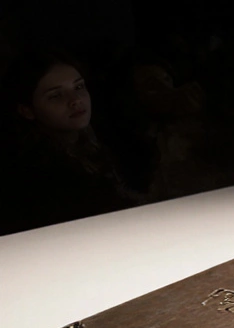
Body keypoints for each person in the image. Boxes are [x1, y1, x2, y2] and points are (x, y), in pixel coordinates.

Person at [1, 51, 136, 233]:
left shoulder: (99, 140)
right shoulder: (34, 174)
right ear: (27, 110)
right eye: (55, 96)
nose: (76, 100)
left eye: (79, 87)